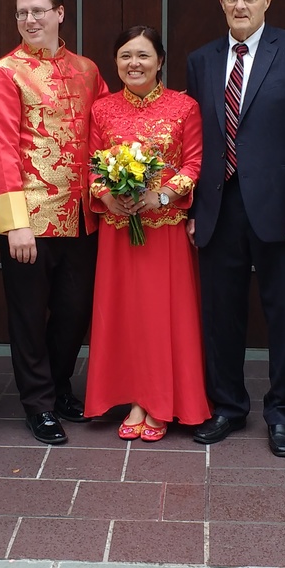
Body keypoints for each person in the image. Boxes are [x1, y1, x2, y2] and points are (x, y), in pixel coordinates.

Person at [186, 0, 285, 456]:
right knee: (220, 315)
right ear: (221, 2)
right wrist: (191, 208)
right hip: (218, 208)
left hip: (282, 211)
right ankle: (227, 405)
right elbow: (196, 141)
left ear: (268, 0)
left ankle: (283, 414)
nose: (240, 5)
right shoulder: (201, 60)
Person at [0, 0, 108, 446]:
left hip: (83, 215)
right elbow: (2, 151)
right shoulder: (5, 72)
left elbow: (106, 133)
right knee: (30, 316)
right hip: (30, 218)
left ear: (59, 14)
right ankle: (38, 403)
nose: (29, 20)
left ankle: (58, 388)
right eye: (21, 13)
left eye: (38, 11)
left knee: (75, 311)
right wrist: (14, 223)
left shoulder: (88, 70)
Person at [84, 27, 210, 440]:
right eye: (125, 56)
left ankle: (160, 402)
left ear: (160, 61)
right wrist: (107, 196)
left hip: (164, 231)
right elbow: (90, 165)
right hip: (119, 230)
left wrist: (163, 197)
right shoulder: (102, 109)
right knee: (125, 315)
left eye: (142, 55)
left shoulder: (184, 107)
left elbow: (193, 164)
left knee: (160, 315)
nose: (133, 64)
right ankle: (134, 398)